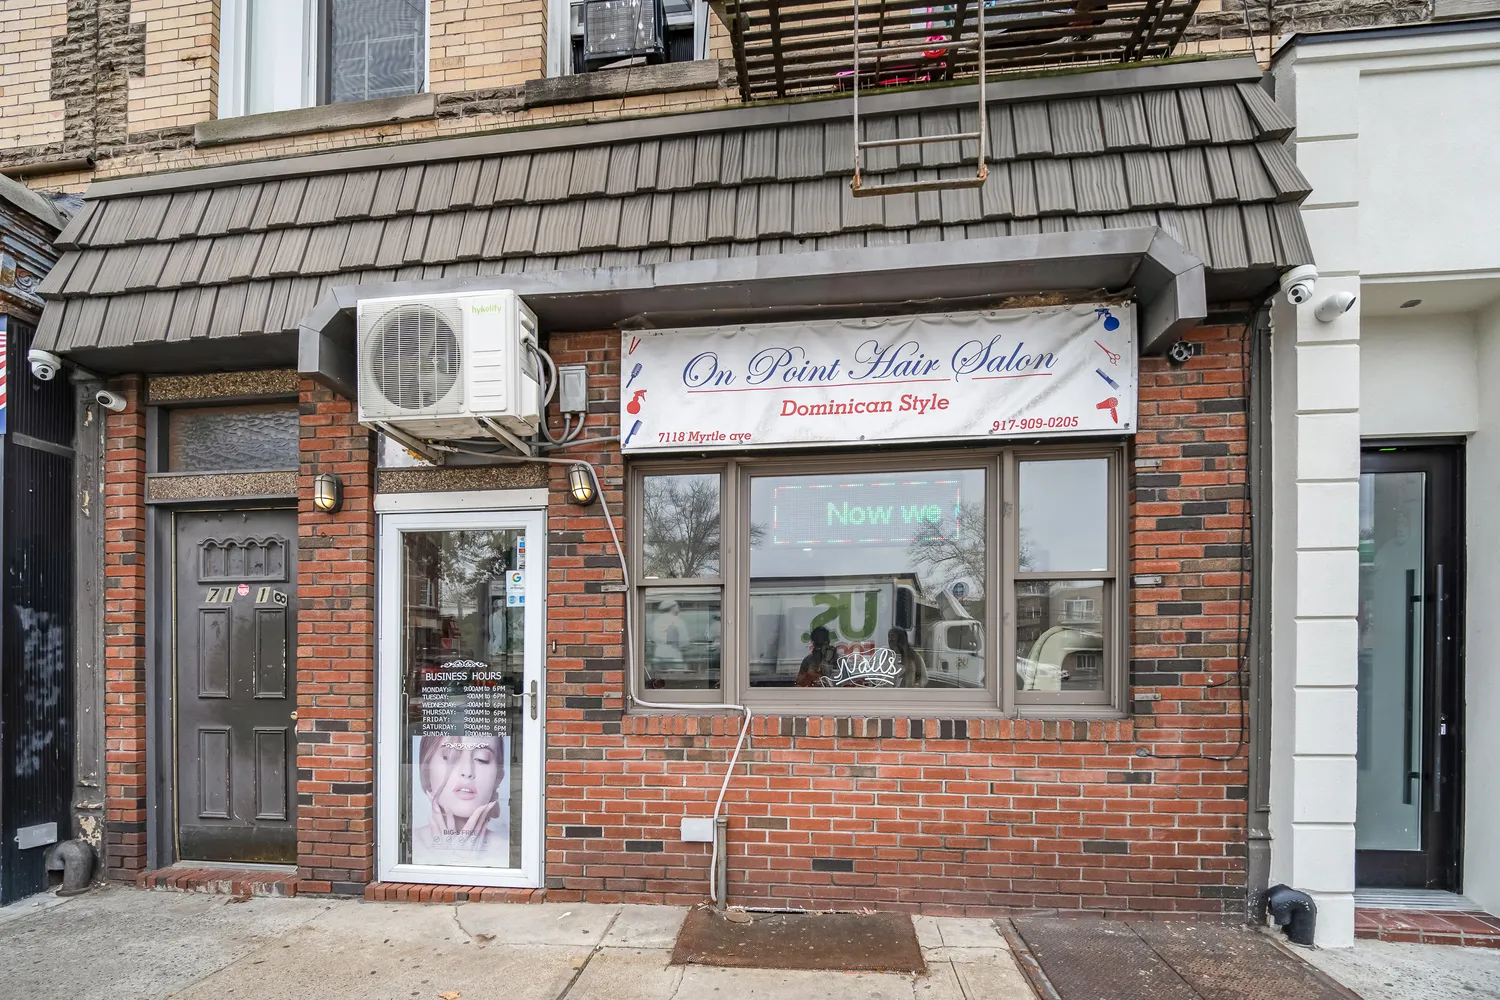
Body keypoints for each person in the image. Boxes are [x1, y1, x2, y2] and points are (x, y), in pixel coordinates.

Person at [411, 735, 509, 867]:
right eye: (450, 756)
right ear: (427, 771)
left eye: (482, 759)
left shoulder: (509, 853)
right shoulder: (403, 848)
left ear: (498, 778)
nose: (467, 772)